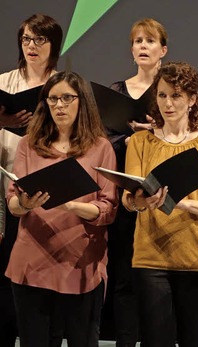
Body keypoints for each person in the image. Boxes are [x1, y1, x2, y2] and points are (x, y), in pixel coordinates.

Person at [122, 61, 198, 347]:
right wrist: (140, 202)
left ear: (192, 99)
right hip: (150, 258)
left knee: (193, 340)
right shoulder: (140, 141)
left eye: (176, 96)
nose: (167, 104)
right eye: (161, 95)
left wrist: (183, 204)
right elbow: (128, 199)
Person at [5, 70, 118, 346]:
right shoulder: (29, 145)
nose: (59, 105)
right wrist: (25, 204)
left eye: (67, 98)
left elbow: (108, 209)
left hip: (79, 263)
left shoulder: (100, 147)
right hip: (31, 262)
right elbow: (13, 202)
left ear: (82, 102)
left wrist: (71, 205)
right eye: (52, 99)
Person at [0, 13, 63, 346]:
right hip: (5, 184)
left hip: (44, 185)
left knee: (41, 277)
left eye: (40, 39)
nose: (32, 46)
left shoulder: (63, 86)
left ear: (53, 45)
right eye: (26, 39)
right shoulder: (4, 82)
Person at [107, 18, 168, 347]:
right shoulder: (117, 91)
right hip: (128, 191)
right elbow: (105, 142)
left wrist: (152, 135)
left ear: (163, 50)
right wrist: (129, 138)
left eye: (150, 41)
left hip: (163, 189)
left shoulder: (171, 93)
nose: (143, 46)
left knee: (158, 280)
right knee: (124, 277)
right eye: (137, 41)